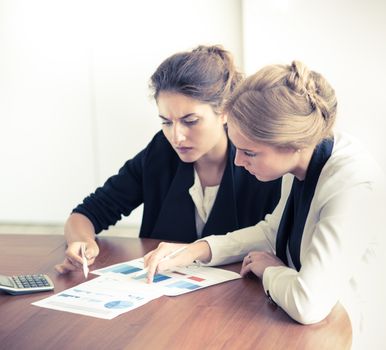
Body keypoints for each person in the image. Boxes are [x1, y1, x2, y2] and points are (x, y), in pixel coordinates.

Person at [144, 61, 385, 349]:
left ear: (291, 144)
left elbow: (308, 302)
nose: (237, 161)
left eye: (249, 153)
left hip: (343, 333)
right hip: (302, 328)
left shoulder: (353, 183)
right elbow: (272, 231)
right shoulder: (303, 160)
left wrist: (269, 269)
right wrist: (196, 250)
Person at [55, 45, 281, 275]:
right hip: (162, 297)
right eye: (166, 122)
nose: (177, 136)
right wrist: (83, 243)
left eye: (190, 121)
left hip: (237, 301)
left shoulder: (260, 164)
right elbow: (86, 214)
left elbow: (276, 242)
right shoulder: (161, 152)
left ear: (224, 111)